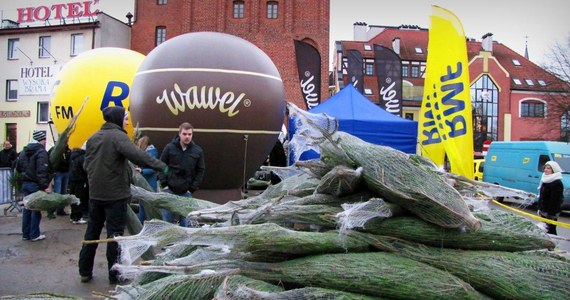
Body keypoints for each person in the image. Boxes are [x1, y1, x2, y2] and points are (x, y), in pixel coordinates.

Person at [78, 106, 167, 285]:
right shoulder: (119, 137)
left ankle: (84, 272)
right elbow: (138, 156)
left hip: (95, 196)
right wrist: (162, 166)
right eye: (125, 118)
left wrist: (96, 179)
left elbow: (85, 165)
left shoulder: (94, 137)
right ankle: (115, 275)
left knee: (91, 234)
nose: (127, 121)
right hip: (115, 197)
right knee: (115, 237)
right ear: (118, 118)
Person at [159, 122, 205, 227]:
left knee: (186, 223)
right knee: (167, 223)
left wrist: (192, 188)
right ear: (179, 134)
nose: (187, 137)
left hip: (186, 192)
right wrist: (164, 183)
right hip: (169, 190)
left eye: (189, 134)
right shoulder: (169, 148)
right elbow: (162, 166)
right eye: (184, 134)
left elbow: (201, 170)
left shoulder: (197, 151)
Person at [17, 131, 51, 241]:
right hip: (35, 184)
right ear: (41, 140)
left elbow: (18, 167)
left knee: (27, 209)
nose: (45, 141)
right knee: (36, 209)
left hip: (25, 183)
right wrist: (45, 185)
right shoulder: (41, 152)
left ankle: (26, 234)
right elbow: (42, 170)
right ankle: (35, 234)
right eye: (44, 139)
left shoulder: (23, 151)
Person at [134, 135, 159, 224]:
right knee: (143, 206)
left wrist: (142, 170)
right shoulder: (151, 152)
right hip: (147, 183)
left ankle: (142, 226)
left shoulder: (151, 153)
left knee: (146, 207)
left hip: (149, 184)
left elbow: (153, 168)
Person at [537, 161, 564, 235]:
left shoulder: (557, 183)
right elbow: (541, 195)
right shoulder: (545, 180)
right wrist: (539, 208)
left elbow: (555, 201)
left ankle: (554, 244)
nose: (545, 170)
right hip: (543, 211)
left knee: (551, 231)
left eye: (548, 168)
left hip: (551, 213)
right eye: (545, 168)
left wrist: (551, 215)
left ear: (554, 170)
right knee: (543, 230)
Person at [68, 143, 88, 224]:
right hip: (80, 180)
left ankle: (73, 216)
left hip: (72, 180)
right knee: (80, 199)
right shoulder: (83, 158)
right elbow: (86, 169)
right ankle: (77, 217)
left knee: (73, 198)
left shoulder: (73, 156)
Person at [49, 145, 71, 216]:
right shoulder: (55, 149)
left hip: (65, 171)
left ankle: (60, 209)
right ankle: (54, 209)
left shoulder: (68, 150)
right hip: (59, 172)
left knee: (63, 192)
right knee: (57, 192)